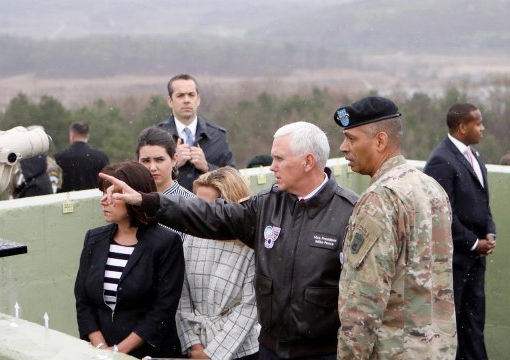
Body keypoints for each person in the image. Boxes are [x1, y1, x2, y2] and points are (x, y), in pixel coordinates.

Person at [100, 121, 358, 359]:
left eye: (279, 158)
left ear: (308, 161)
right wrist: (148, 201)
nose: (272, 166)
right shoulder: (267, 205)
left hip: (323, 353)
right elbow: (211, 215)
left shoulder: (350, 213)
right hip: (271, 350)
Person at [334, 96, 457, 359]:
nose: (343, 147)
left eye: (352, 138)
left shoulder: (380, 198)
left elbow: (363, 301)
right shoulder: (431, 187)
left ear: (380, 141)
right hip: (436, 350)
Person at [74, 161, 184, 359]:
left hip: (149, 353)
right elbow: (83, 301)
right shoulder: (94, 239)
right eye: (103, 194)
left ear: (135, 197)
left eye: (113, 195)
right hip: (100, 353)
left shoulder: (166, 242)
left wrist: (119, 351)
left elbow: (162, 309)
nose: (104, 201)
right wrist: (101, 347)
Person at [424, 103, 496, 360]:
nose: (482, 128)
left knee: (474, 325)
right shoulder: (440, 161)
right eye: (478, 123)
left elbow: (483, 203)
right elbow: (442, 214)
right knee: (454, 328)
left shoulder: (474, 157)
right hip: (454, 263)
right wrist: (473, 243)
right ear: (463, 127)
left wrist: (489, 233)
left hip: (475, 261)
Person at [177, 167, 260, 360]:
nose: (200, 213)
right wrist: (193, 344)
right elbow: (181, 296)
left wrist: (212, 354)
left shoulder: (251, 246)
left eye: (208, 207)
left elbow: (249, 308)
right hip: (195, 347)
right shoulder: (191, 237)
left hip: (241, 352)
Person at [156, 74, 236, 190]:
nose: (186, 100)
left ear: (198, 99)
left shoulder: (218, 136)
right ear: (170, 101)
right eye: (180, 95)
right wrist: (173, 164)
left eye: (191, 95)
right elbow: (144, 179)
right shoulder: (156, 137)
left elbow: (235, 179)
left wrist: (207, 167)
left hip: (209, 207)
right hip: (169, 206)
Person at [136, 127, 195, 240]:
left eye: (159, 160)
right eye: (146, 161)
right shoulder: (132, 201)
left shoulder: (190, 203)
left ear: (174, 160)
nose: (152, 168)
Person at [55, 122, 109, 192]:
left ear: (72, 135)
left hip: (67, 201)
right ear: (87, 136)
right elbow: (107, 182)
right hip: (94, 200)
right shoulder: (101, 157)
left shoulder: (59, 157)